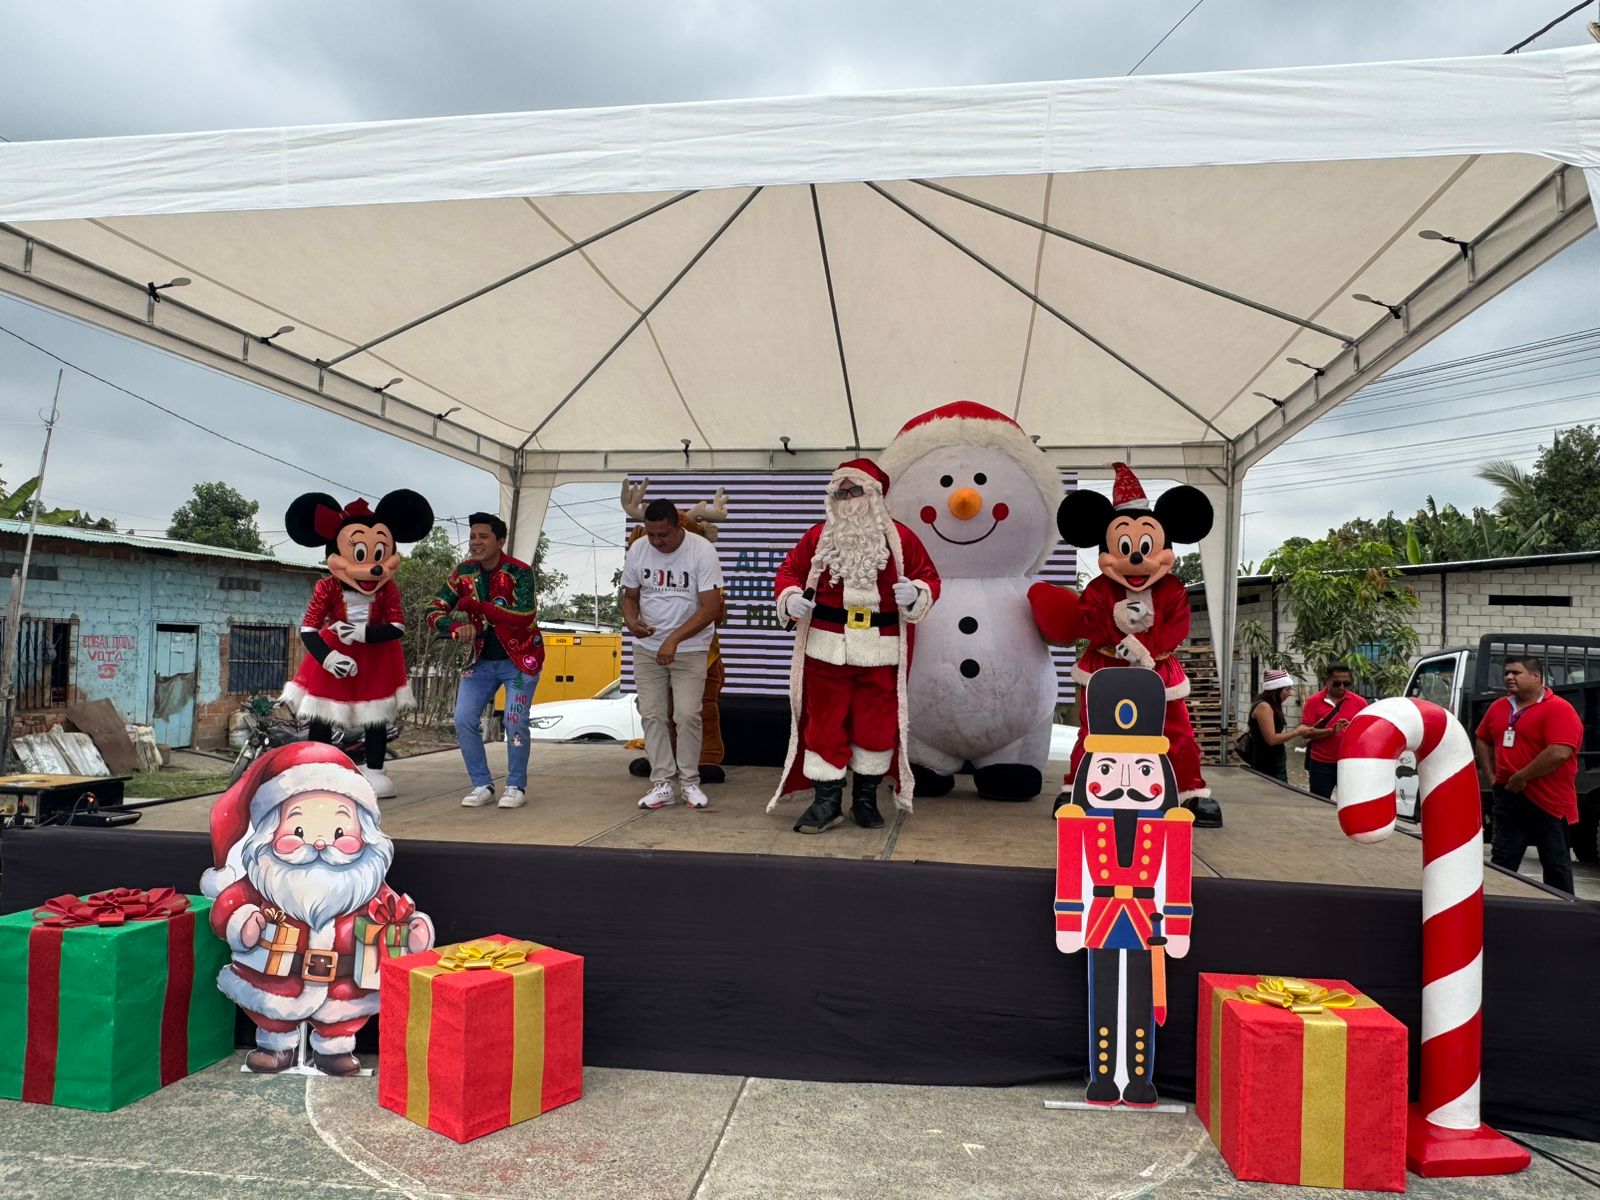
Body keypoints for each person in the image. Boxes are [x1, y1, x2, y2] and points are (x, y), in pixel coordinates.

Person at [200, 742, 435, 1074]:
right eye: (298, 831)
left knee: (342, 1016)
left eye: (339, 831)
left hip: (344, 980)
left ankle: (334, 1051)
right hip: (277, 977)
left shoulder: (365, 884)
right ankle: (275, 1046)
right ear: (270, 831)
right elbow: (227, 907)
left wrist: (412, 931)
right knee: (273, 1011)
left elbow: (392, 911)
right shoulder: (263, 882)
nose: (320, 843)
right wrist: (242, 922)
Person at [768, 458, 941, 833]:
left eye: (854, 491)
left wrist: (916, 593)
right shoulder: (818, 537)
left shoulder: (902, 539)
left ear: (874, 494)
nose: (847, 499)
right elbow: (789, 571)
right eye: (840, 493)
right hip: (826, 650)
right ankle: (826, 803)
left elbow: (929, 576)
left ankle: (865, 800)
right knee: (824, 726)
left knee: (876, 727)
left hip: (880, 651)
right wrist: (791, 596)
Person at [426, 513, 545, 809]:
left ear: (500, 541)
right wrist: (455, 626)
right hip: (479, 662)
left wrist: (480, 607)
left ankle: (515, 785)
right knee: (463, 719)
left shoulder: (519, 572)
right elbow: (433, 609)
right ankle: (481, 784)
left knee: (514, 720)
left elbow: (525, 615)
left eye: (483, 537)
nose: (476, 542)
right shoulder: (463, 573)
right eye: (472, 537)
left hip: (520, 661)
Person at [621, 499, 724, 810]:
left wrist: (674, 640)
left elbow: (711, 608)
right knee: (652, 714)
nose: (656, 541)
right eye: (651, 534)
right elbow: (630, 596)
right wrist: (632, 621)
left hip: (691, 648)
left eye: (663, 535)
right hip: (647, 648)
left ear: (679, 528)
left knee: (687, 714)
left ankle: (690, 782)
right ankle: (662, 783)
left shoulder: (702, 550)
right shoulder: (638, 548)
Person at [1474, 655, 1583, 895]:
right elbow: (1482, 738)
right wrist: (1491, 775)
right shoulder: (1499, 706)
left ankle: (1560, 908)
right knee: (1503, 859)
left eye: (1516, 673)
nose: (1508, 677)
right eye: (1506, 673)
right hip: (1509, 795)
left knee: (1555, 862)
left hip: (1549, 800)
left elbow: (1559, 752)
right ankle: (1497, 904)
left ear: (1536, 677)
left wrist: (1522, 777)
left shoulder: (1558, 709)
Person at [1300, 664, 1369, 799]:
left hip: (1349, 763)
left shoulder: (1360, 702)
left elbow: (1367, 732)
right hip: (1321, 764)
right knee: (1319, 803)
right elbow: (1305, 733)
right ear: (1327, 681)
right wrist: (1331, 731)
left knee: (1351, 803)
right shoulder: (1313, 701)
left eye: (1346, 683)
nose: (1342, 687)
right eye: (1337, 683)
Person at [1243, 668, 1312, 783]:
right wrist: (1296, 732)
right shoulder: (1264, 707)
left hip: (1275, 760)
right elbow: (1271, 739)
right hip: (1266, 762)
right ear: (1276, 690)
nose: (1289, 694)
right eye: (1286, 690)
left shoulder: (1273, 705)